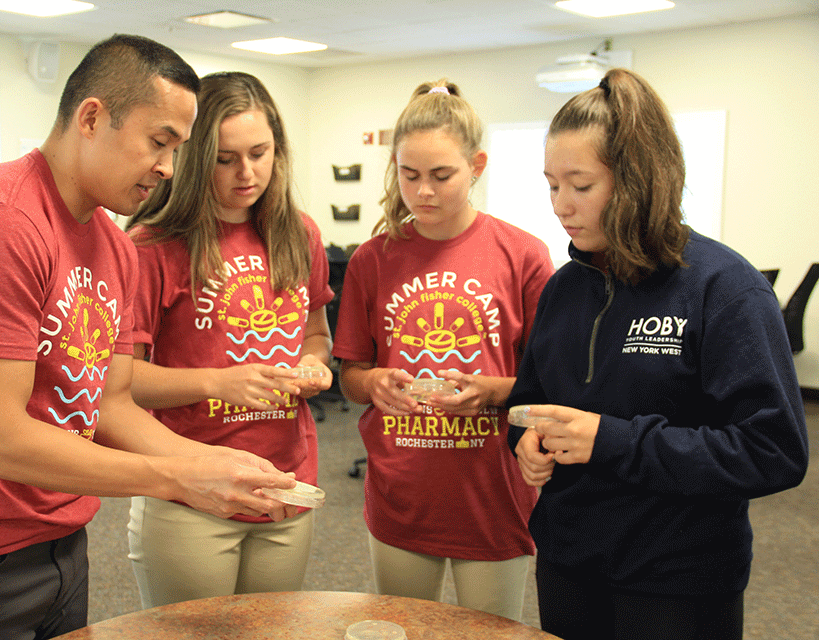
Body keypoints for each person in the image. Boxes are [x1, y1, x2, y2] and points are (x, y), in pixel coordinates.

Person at [0, 35, 298, 639]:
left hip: (59, 544)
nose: (170, 168)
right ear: (92, 117)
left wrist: (213, 461)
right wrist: (178, 478)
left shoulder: (112, 244)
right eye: (159, 142)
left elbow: (111, 401)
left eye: (178, 148)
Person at [507, 68, 809, 640]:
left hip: (678, 578)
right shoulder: (563, 288)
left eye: (581, 185)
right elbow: (528, 403)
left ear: (638, 180)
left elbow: (774, 450)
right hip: (569, 560)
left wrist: (613, 439)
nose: (560, 206)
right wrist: (526, 440)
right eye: (551, 185)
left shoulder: (724, 288)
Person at [332, 80, 555, 619]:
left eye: (441, 176)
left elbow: (551, 381)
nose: (423, 192)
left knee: (494, 631)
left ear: (476, 165)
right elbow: (351, 374)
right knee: (406, 628)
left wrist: (493, 391)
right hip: (404, 490)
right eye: (409, 176)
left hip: (492, 490)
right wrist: (373, 383)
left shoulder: (523, 254)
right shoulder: (373, 259)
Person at [123, 71, 333, 607]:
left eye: (260, 153)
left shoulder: (297, 231)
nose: (247, 172)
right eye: (225, 158)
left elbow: (314, 332)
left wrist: (315, 364)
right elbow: (123, 385)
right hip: (190, 490)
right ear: (194, 160)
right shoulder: (153, 247)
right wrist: (220, 382)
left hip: (286, 481)